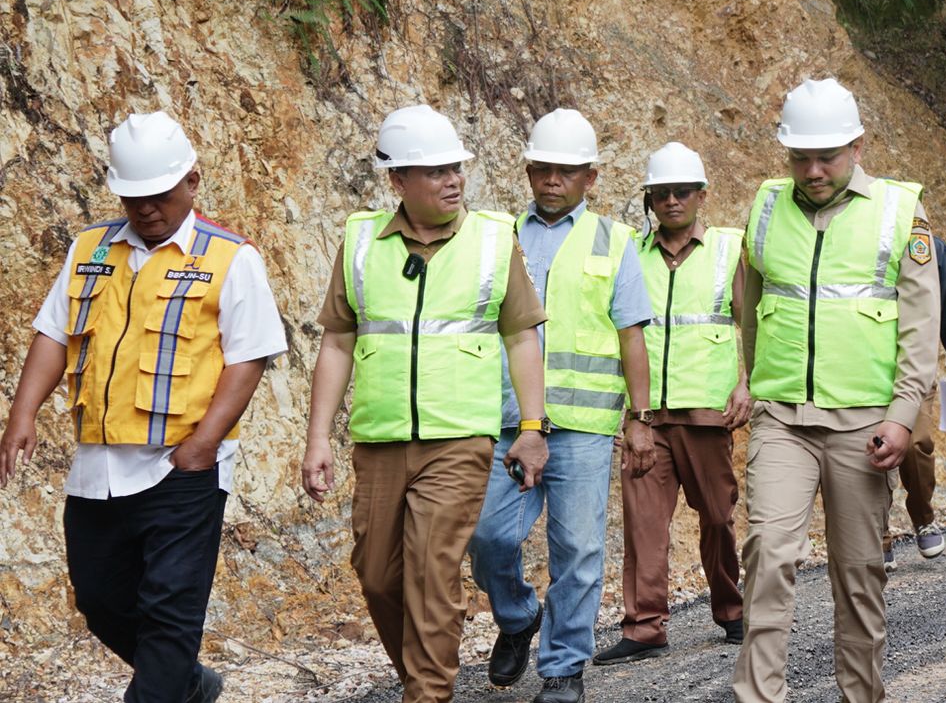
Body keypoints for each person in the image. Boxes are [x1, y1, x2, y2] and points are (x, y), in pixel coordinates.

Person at [1, 110, 285, 703]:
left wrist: (204, 444)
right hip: (97, 469)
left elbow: (249, 356)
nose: (146, 208)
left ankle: (164, 682)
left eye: (158, 195)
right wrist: (22, 415)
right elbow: (54, 335)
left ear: (192, 182)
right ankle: (187, 681)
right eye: (133, 198)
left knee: (168, 614)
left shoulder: (231, 258)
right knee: (100, 600)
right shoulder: (90, 249)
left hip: (180, 466)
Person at [301, 104, 549, 703]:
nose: (451, 180)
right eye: (433, 171)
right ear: (397, 181)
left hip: (460, 439)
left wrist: (533, 426)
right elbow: (337, 340)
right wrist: (316, 440)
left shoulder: (493, 239)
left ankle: (429, 695)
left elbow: (521, 336)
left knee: (433, 575)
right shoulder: (361, 241)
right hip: (381, 439)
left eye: (455, 167)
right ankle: (422, 678)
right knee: (380, 578)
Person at [733, 77, 940, 703]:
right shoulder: (767, 206)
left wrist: (903, 418)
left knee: (858, 577)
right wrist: (754, 383)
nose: (814, 170)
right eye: (801, 157)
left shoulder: (899, 211)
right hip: (783, 419)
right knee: (768, 554)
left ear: (858, 144)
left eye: (828, 156)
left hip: (863, 424)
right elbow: (750, 308)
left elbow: (919, 328)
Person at [468, 107, 655, 703]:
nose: (552, 180)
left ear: (590, 178)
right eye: (543, 169)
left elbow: (631, 336)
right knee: (486, 537)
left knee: (577, 550)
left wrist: (640, 417)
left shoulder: (614, 240)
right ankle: (520, 617)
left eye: (566, 172)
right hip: (503, 419)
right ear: (527, 169)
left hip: (584, 428)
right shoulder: (496, 235)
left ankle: (563, 669)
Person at [593, 141, 751, 665]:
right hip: (646, 417)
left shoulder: (729, 249)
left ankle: (730, 610)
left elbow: (752, 324)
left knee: (718, 518)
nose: (671, 201)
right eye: (660, 193)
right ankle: (644, 627)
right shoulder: (629, 253)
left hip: (707, 413)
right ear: (649, 199)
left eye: (681, 191)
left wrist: (746, 383)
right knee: (643, 524)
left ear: (702, 195)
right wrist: (630, 413)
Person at [883, 234, 946, 571]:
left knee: (915, 444)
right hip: (863, 372)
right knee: (866, 451)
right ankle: (878, 536)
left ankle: (923, 516)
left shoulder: (929, 245)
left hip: (913, 370)